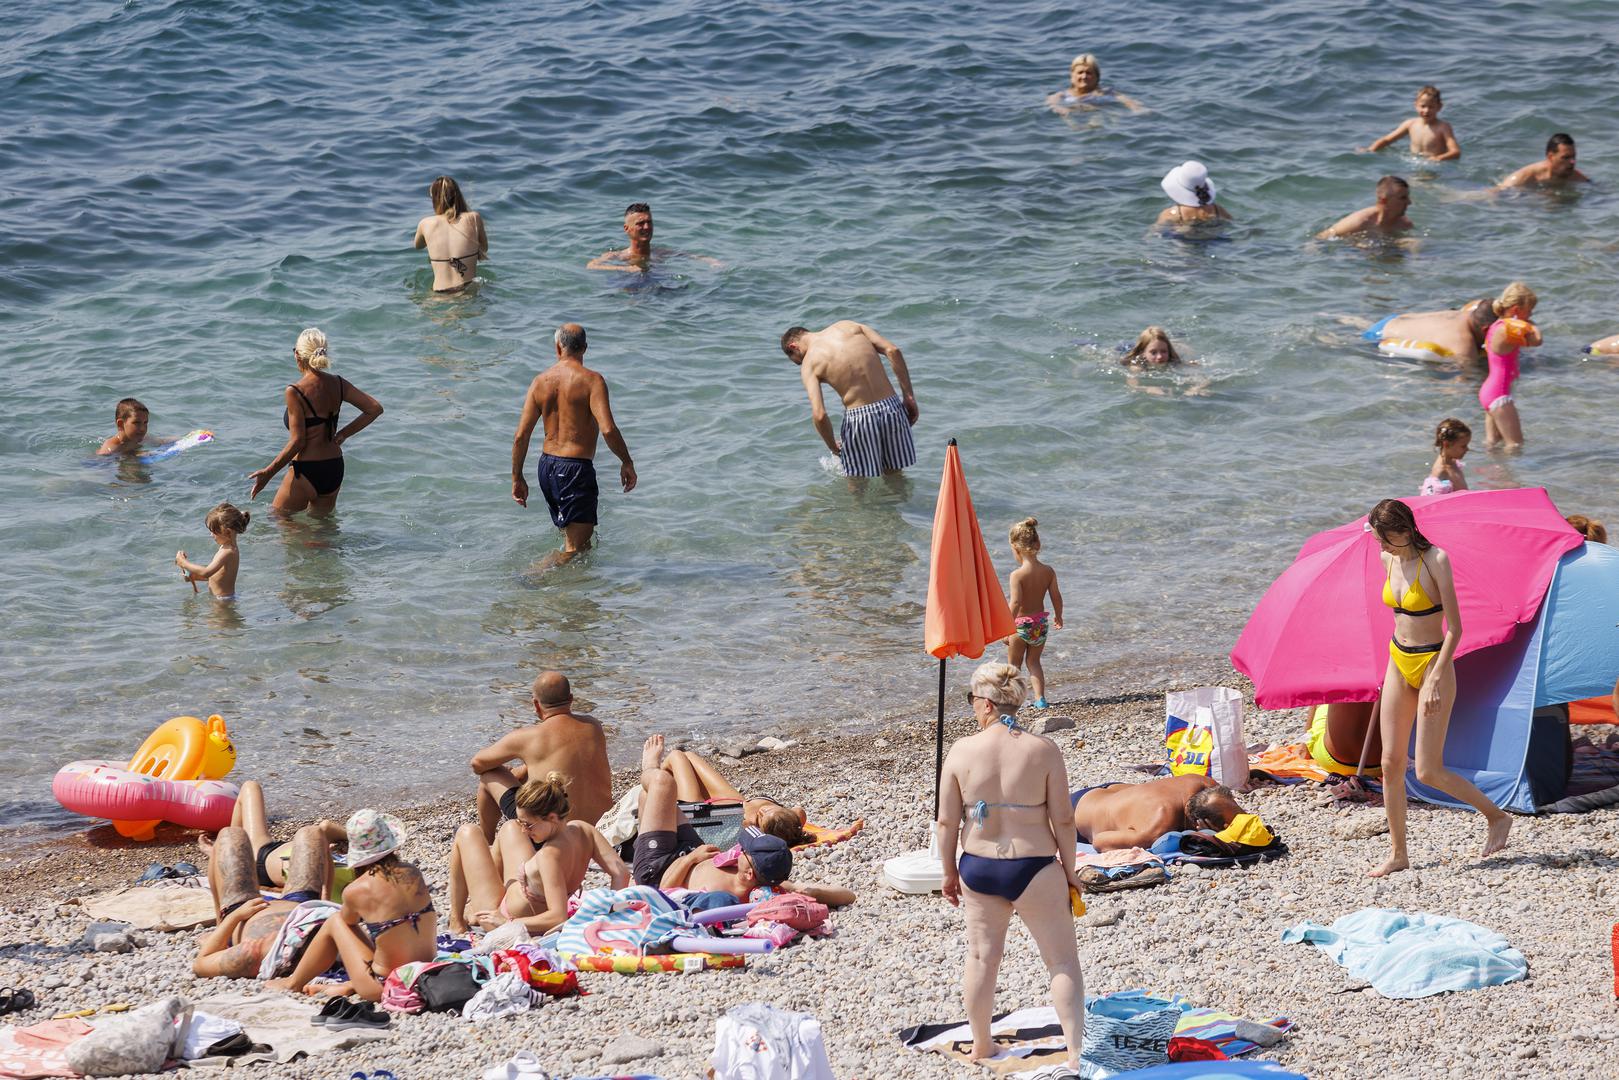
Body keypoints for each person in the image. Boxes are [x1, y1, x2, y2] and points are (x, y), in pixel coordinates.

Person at [938, 663, 1085, 1074]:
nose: (971, 708)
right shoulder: (1043, 750)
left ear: (985, 703)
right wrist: (1071, 872)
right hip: (1035, 866)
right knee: (1061, 962)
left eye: (971, 701)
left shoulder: (962, 751)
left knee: (982, 958)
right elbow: (1066, 820)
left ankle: (982, 1044)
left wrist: (948, 871)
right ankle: (1075, 1052)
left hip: (979, 867)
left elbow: (948, 822)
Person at [1366, 498, 1511, 878]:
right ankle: (1399, 853)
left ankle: (1496, 816)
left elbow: (1456, 630)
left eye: (1386, 539)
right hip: (1398, 661)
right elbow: (1398, 616)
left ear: (1405, 531)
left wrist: (1433, 678)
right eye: (1379, 539)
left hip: (1434, 663)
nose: (1380, 546)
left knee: (1429, 770)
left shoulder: (1437, 561)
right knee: (1390, 762)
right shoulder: (1387, 559)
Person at [631, 735, 854, 905]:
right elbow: (848, 895)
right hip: (689, 850)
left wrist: (690, 859)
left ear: (749, 874)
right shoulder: (766, 881)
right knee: (649, 797)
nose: (739, 848)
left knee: (662, 783)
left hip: (658, 869)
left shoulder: (723, 888)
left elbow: (661, 891)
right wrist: (808, 891)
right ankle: (644, 825)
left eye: (745, 850)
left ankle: (649, 767)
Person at [266, 809, 436, 1000]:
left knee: (334, 921)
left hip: (384, 985)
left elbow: (347, 920)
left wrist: (331, 869)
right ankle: (349, 986)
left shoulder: (357, 889)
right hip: (426, 975)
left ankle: (293, 983)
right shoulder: (413, 873)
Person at [510, 323, 637, 567]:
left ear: (558, 348)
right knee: (575, 549)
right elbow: (608, 429)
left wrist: (517, 477)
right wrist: (627, 461)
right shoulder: (592, 381)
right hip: (574, 470)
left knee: (581, 543)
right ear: (585, 348)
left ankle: (570, 601)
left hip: (547, 468)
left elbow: (520, 436)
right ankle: (530, 578)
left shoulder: (540, 382)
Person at [448, 771, 629, 935]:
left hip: (508, 917)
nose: (525, 831)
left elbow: (558, 918)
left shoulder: (548, 857)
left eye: (528, 824)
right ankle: (476, 904)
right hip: (521, 898)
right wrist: (611, 912)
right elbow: (621, 872)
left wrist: (508, 922)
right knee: (510, 827)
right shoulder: (584, 830)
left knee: (466, 832)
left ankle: (457, 922)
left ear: (551, 817)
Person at [247, 329, 384, 515]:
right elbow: (374, 408)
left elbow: (298, 441)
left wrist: (268, 473)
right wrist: (343, 434)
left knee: (279, 523)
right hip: (334, 467)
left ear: (297, 354)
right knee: (322, 531)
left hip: (306, 470)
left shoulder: (295, 391)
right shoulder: (339, 383)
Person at [469, 671, 613, 842]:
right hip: (603, 828)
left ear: (536, 705)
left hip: (553, 832)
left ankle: (488, 841)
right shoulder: (593, 726)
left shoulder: (530, 736)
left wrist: (507, 772)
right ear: (571, 699)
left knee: (489, 775)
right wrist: (523, 770)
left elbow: (477, 764)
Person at [193, 822, 332, 979]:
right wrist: (324, 902)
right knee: (312, 833)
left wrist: (235, 917)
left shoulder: (252, 953)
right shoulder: (328, 937)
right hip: (302, 904)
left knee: (229, 835)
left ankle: (219, 928)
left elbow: (200, 965)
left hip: (243, 913)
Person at [781, 322, 919, 478]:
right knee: (895, 475)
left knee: (857, 482)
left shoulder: (810, 363)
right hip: (892, 407)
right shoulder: (849, 326)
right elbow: (893, 351)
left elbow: (819, 414)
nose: (801, 363)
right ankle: (899, 503)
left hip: (859, 418)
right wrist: (908, 396)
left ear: (793, 346)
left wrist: (833, 446)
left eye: (798, 361)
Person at [199, 779, 348, 896]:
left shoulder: (347, 889)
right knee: (251, 787)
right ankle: (226, 849)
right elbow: (326, 827)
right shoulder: (359, 875)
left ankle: (224, 852)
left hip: (261, 860)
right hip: (278, 851)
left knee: (250, 787)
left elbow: (295, 892)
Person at [654, 746, 810, 845]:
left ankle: (653, 775)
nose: (761, 811)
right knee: (689, 755)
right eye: (769, 809)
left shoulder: (751, 830)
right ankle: (660, 785)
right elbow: (799, 812)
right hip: (731, 801)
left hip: (699, 814)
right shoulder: (794, 819)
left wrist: (751, 829)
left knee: (676, 756)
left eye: (760, 819)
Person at [1071, 774, 1245, 850]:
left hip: (1120, 793)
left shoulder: (1208, 785)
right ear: (1201, 826)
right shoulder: (1158, 825)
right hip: (1077, 812)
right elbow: (1100, 841)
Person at [1005, 518, 1063, 710]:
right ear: (1038, 544)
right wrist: (1058, 616)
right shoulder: (1048, 571)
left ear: (1016, 548)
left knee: (1014, 665)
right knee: (1034, 661)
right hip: (1040, 624)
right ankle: (1040, 699)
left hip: (1019, 625)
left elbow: (1015, 602)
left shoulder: (1017, 575)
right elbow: (1056, 596)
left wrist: (1006, 627)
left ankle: (1012, 700)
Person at [1478, 282, 1540, 449]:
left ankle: (1488, 474)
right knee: (1515, 445)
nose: (1531, 314)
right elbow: (1537, 340)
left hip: (1488, 391)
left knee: (1492, 444)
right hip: (1499, 395)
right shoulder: (1507, 329)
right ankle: (1510, 476)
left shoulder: (1496, 325)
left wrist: (1526, 322)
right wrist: (1532, 326)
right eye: (1529, 310)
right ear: (1515, 310)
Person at [586, 202, 720, 271]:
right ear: (627, 229)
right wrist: (626, 269)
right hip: (630, 287)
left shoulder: (660, 252)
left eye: (649, 222)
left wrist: (713, 262)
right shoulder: (619, 256)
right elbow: (592, 266)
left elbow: (691, 256)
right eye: (640, 223)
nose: (647, 227)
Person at [412, 175, 488, 292]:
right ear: (458, 195)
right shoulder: (473, 218)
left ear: (435, 199)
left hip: (439, 293)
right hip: (468, 290)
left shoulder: (425, 223)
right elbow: (485, 247)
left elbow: (417, 246)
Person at [1362, 297, 1496, 362]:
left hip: (1393, 320)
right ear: (1485, 330)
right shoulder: (1463, 343)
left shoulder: (1465, 314)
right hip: (1377, 337)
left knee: (1358, 325)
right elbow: (1465, 382)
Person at [1361, 85, 1460, 160]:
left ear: (1439, 107)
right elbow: (1387, 140)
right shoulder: (1410, 124)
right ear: (1416, 105)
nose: (1426, 110)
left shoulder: (1443, 127)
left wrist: (1437, 159)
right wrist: (1370, 149)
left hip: (1434, 165)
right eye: (1423, 106)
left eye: (1431, 107)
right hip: (1414, 162)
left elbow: (1455, 151)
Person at [176, 503, 250, 599]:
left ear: (227, 532)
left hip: (222, 602)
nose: (211, 535)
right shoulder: (227, 548)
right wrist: (193, 576)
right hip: (221, 599)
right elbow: (218, 576)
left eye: (213, 531)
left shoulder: (228, 551)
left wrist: (183, 562)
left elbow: (206, 572)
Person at [1046, 53, 1144, 115]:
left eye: (1089, 73)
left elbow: (1127, 100)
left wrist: (1136, 108)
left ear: (1097, 77)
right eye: (1080, 73)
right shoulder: (1064, 94)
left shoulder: (1106, 92)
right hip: (1074, 114)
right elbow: (1051, 102)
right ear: (1072, 76)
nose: (1084, 76)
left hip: (1101, 113)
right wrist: (1058, 108)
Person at [1318, 175, 1412, 239]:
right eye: (1403, 198)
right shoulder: (1359, 222)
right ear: (1383, 200)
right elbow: (1321, 238)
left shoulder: (1404, 224)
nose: (1409, 202)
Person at [1496, 133, 1588, 189]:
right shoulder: (1527, 176)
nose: (1572, 162)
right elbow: (1498, 192)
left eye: (1573, 157)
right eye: (1565, 158)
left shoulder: (1577, 178)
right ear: (1551, 157)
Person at [1155, 161, 1232, 227]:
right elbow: (1232, 222)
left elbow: (1155, 232)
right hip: (1216, 241)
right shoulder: (1217, 210)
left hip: (1184, 241)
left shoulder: (1172, 214)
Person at [1421, 417, 1471, 495]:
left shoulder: (1453, 462)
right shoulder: (1441, 472)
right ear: (1446, 444)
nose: (1467, 449)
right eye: (1463, 446)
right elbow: (1431, 500)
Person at [98, 398, 163, 455]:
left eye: (145, 422)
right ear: (120, 424)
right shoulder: (110, 449)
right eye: (136, 423)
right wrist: (136, 456)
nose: (142, 428)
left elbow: (162, 442)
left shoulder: (143, 438)